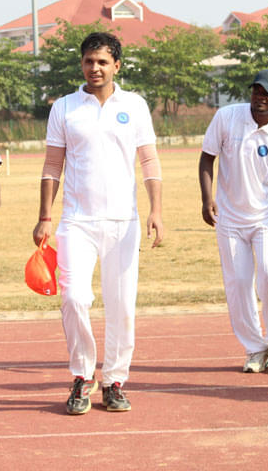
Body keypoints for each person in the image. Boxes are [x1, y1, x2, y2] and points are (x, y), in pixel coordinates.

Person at [32, 32, 163, 415]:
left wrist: (156, 210)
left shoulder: (135, 106)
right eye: (89, 62)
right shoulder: (66, 108)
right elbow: (52, 166)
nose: (95, 69)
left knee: (121, 305)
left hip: (124, 222)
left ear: (117, 66)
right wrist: (45, 216)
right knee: (74, 298)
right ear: (82, 65)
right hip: (76, 221)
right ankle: (81, 375)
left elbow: (150, 162)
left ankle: (115, 381)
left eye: (103, 62)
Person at [199, 69, 268, 374]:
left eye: (266, 93)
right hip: (229, 219)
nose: (259, 98)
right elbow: (206, 158)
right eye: (255, 91)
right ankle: (254, 347)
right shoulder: (227, 117)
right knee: (238, 284)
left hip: (264, 220)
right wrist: (207, 198)